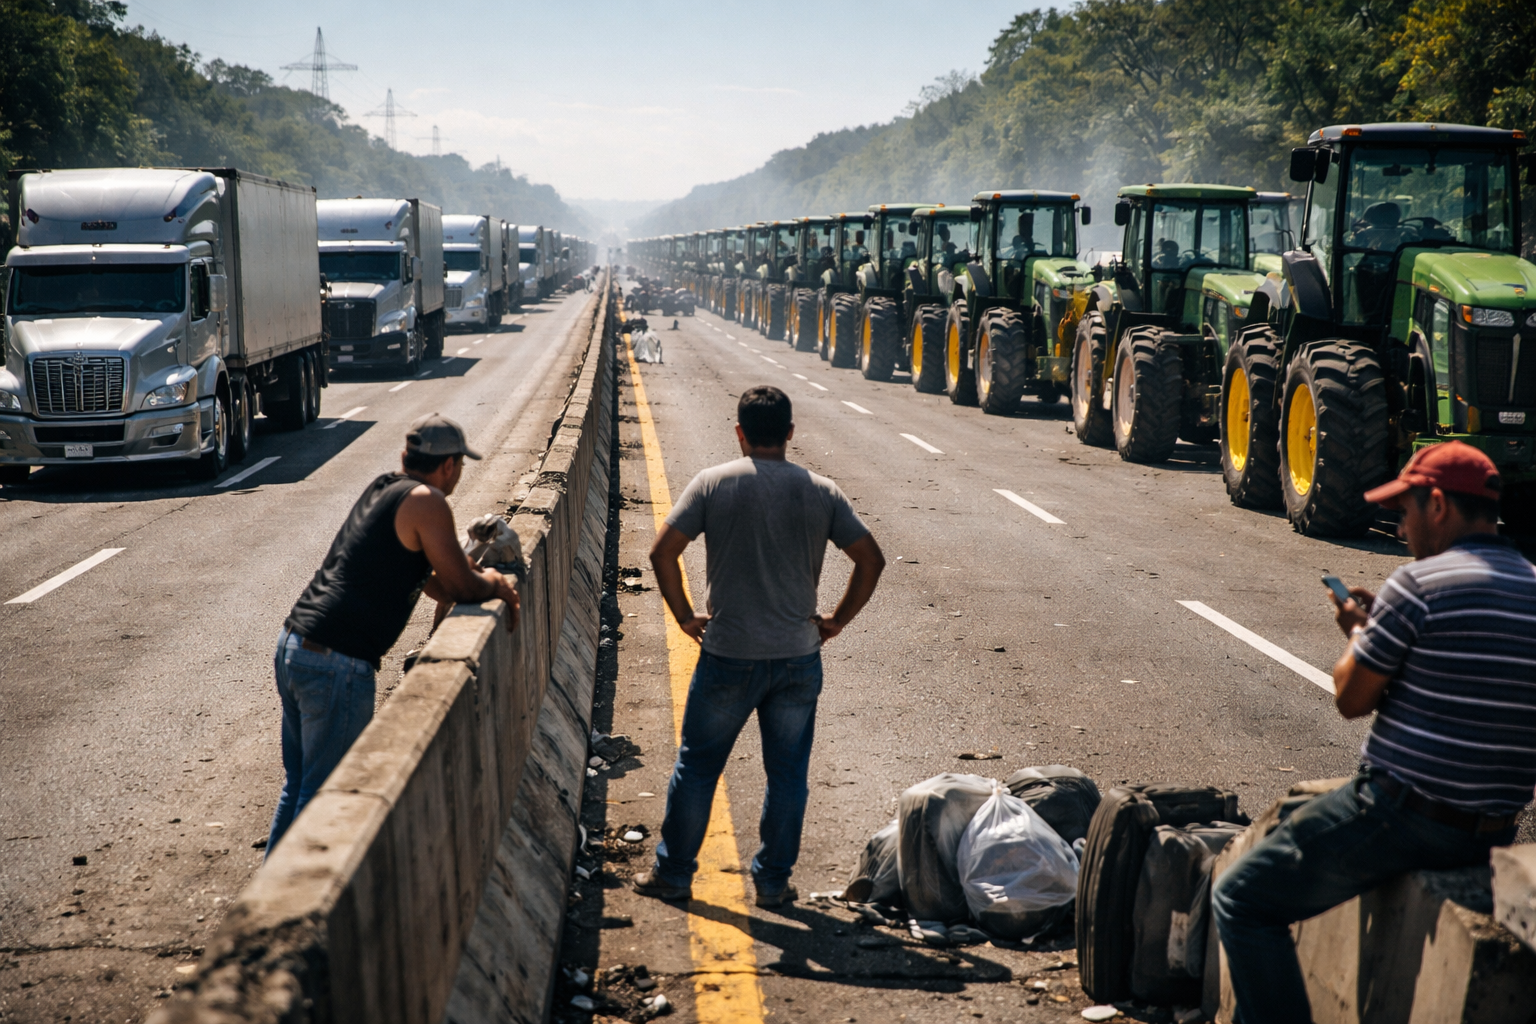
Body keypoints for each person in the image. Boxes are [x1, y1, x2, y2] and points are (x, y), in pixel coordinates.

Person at [1212, 441, 1536, 1024]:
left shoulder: (1418, 586)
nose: (1403, 528)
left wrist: (1359, 633)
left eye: (1405, 513)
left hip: (1403, 817)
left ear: (1437, 504)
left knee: (1241, 898)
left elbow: (1351, 700)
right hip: (1493, 827)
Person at [633, 386, 885, 908]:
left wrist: (684, 616)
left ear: (740, 434)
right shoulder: (822, 491)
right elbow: (871, 560)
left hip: (728, 654)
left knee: (698, 767)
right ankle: (772, 884)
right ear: (790, 433)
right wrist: (836, 620)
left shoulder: (712, 484)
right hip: (797, 656)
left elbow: (662, 554)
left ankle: (674, 875)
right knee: (788, 775)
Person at [266, 413, 521, 854]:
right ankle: (284, 912)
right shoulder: (428, 501)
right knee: (323, 799)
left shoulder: (383, 489)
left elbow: (434, 581)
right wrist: (497, 583)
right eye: (459, 466)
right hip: (336, 663)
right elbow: (461, 586)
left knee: (300, 787)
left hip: (295, 646)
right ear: (449, 465)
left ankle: (269, 895)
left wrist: (472, 573)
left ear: (407, 456)